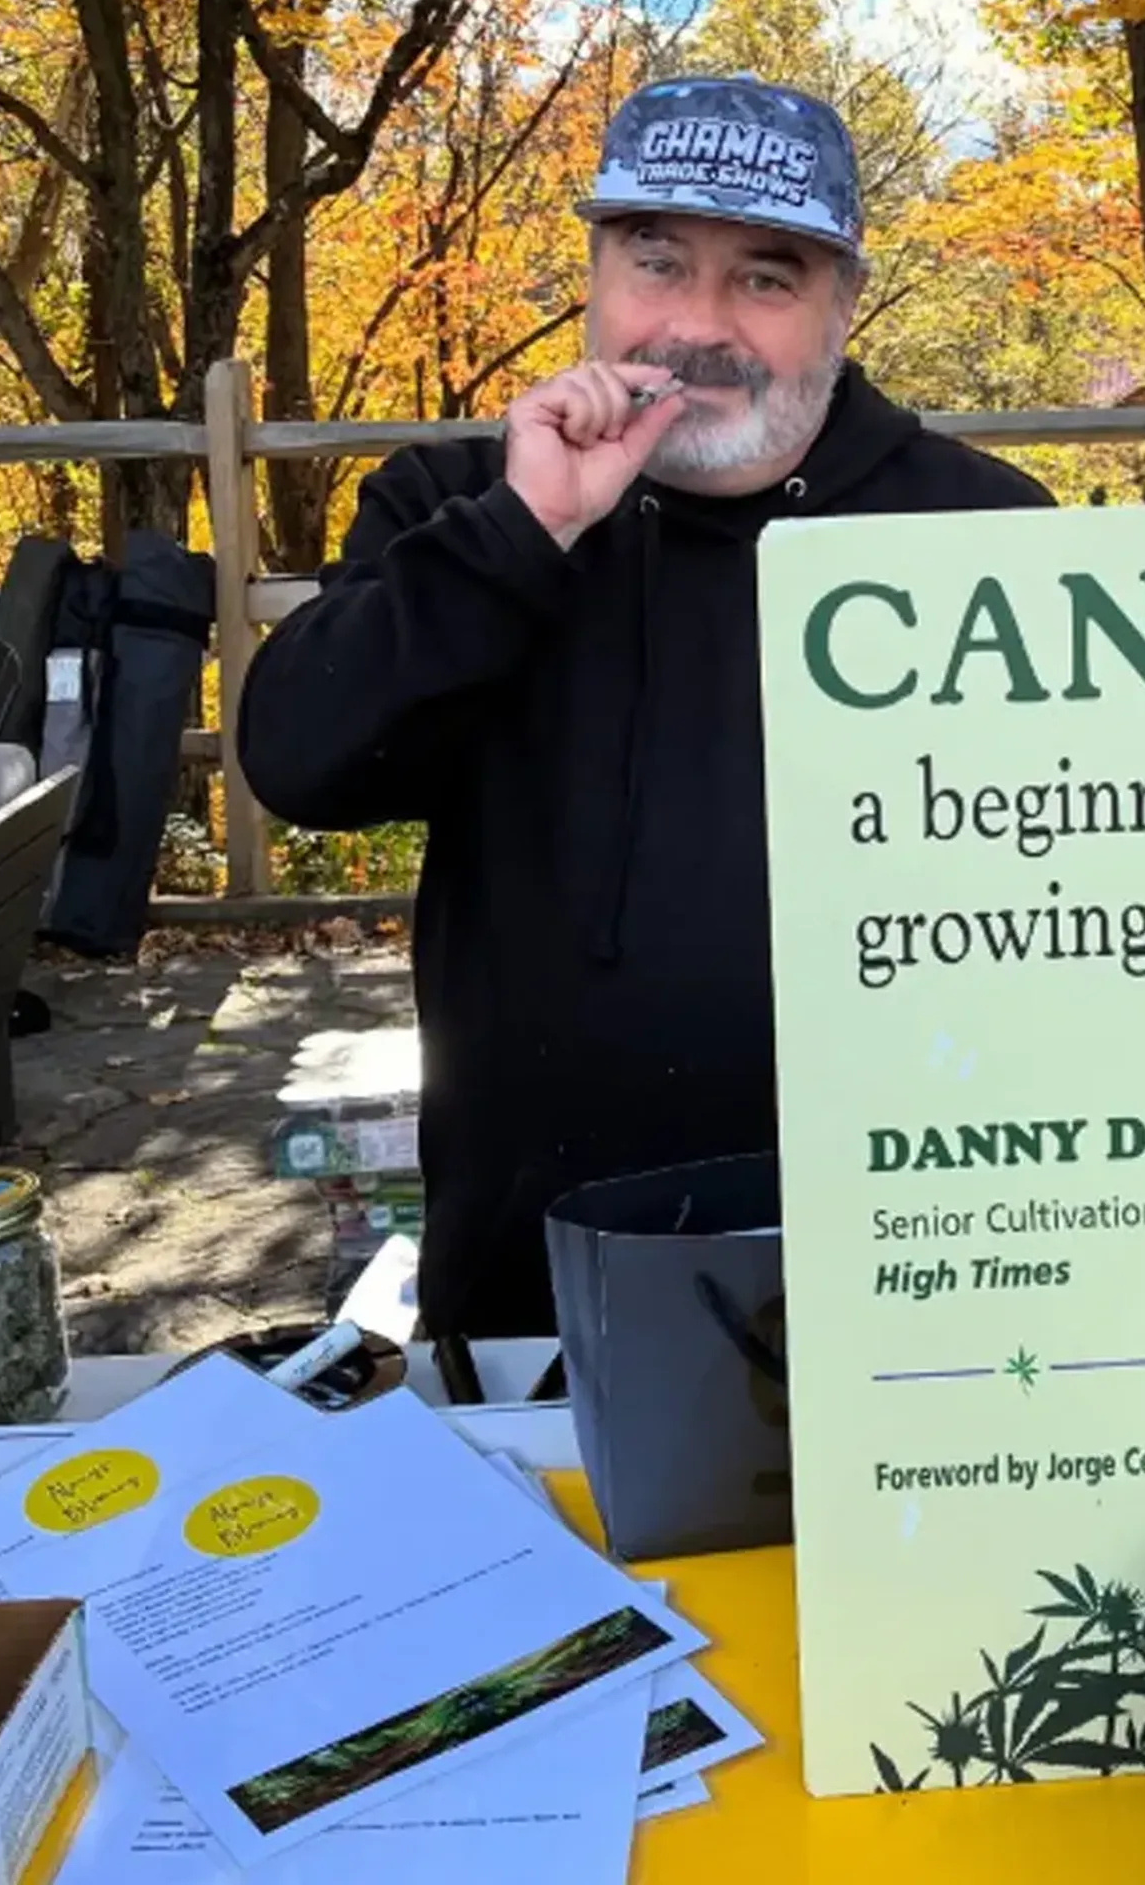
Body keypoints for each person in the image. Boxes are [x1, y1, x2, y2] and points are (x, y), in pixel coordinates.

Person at [238, 75, 1056, 1348]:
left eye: (765, 278)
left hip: (914, 1265)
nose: (698, 326)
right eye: (657, 262)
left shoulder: (979, 529)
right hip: (540, 1277)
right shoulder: (459, 510)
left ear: (842, 304)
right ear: (595, 275)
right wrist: (527, 531)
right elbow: (301, 761)